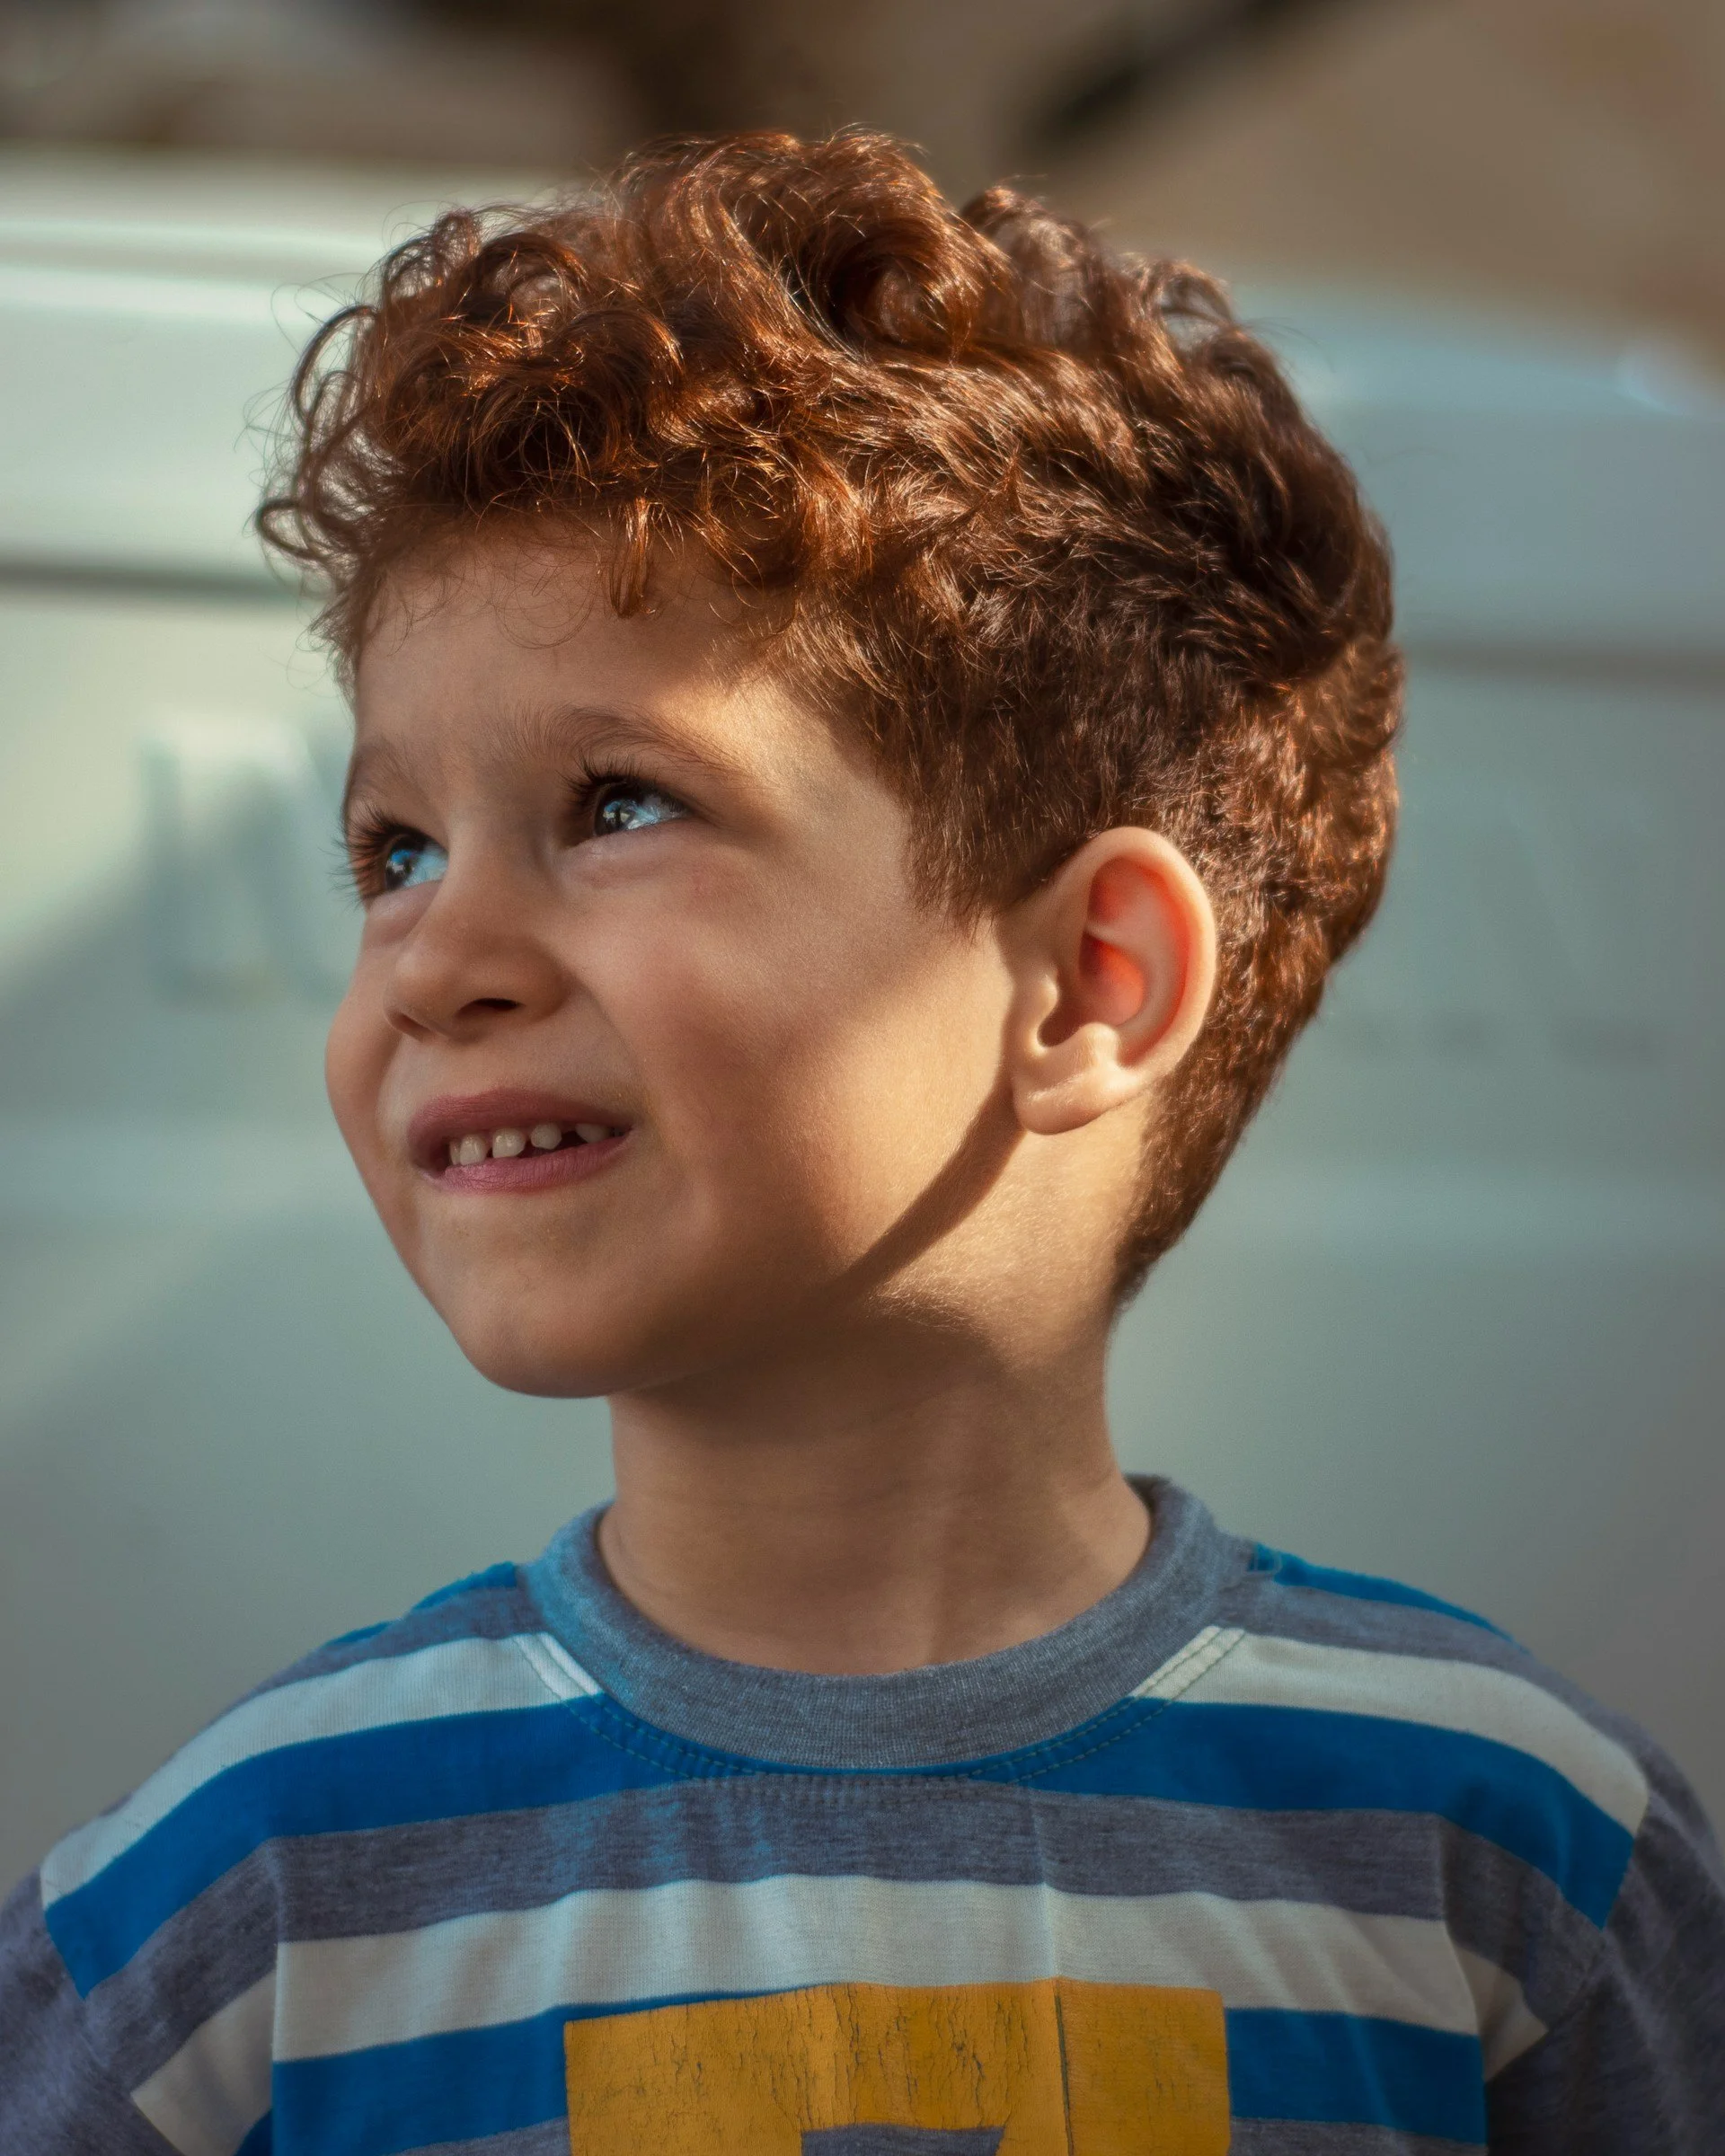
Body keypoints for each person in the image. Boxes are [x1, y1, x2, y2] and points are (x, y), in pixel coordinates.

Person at [2, 128, 1720, 2156]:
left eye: (621, 803)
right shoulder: (223, 1911)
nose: (430, 958)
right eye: (393, 847)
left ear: (1091, 983)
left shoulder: (1509, 1855)